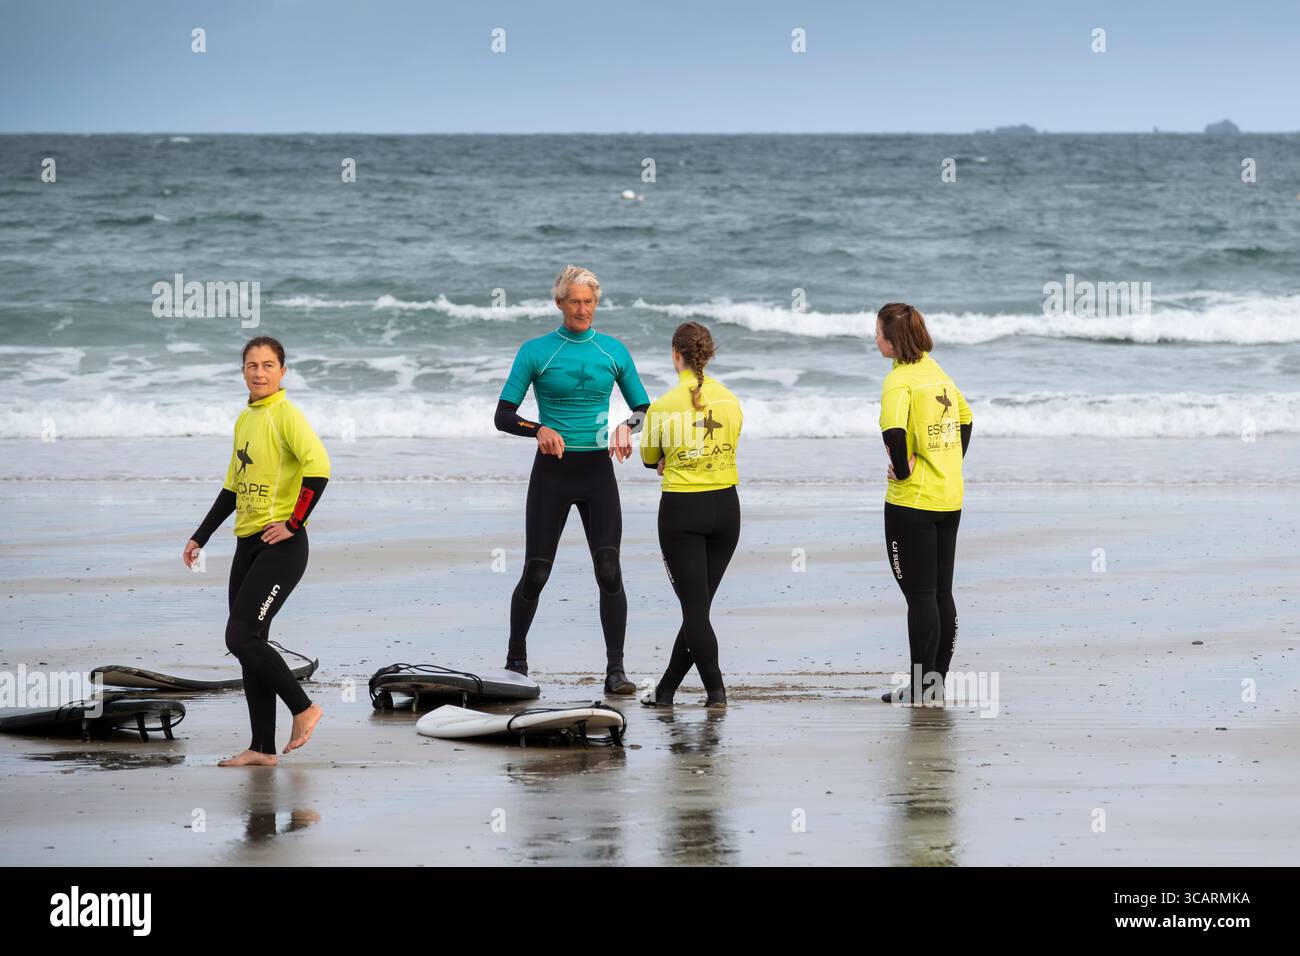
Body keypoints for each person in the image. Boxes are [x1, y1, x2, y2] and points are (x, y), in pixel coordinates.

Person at [494, 266, 650, 694]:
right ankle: (515, 662)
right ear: (559, 303)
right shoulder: (536, 351)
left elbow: (643, 407)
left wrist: (626, 426)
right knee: (537, 572)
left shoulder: (612, 351)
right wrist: (537, 430)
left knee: (609, 569)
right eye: (575, 301)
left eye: (589, 301)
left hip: (598, 471)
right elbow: (503, 415)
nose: (582, 309)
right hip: (552, 472)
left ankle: (615, 671)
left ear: (596, 304)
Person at [183, 336, 330, 765]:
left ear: (283, 372)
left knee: (240, 636)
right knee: (251, 644)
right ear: (243, 370)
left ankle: (304, 709)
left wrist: (294, 522)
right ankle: (262, 747)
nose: (260, 372)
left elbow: (319, 469)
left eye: (268, 365)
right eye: (252, 365)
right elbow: (232, 487)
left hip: (281, 546)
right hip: (247, 544)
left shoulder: (286, 416)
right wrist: (200, 536)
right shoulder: (245, 419)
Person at [638, 321, 742, 708]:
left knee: (694, 610)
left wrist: (669, 459)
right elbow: (727, 447)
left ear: (675, 355)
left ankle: (716, 693)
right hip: (726, 510)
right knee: (697, 609)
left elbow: (650, 459)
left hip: (683, 511)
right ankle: (666, 690)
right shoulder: (731, 401)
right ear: (708, 354)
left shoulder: (663, 406)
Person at [874, 303, 972, 706]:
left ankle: (920, 689)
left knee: (919, 596)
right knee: (940, 594)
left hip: (911, 504)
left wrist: (902, 470)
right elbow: (966, 419)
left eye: (877, 331)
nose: (874, 338)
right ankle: (935, 684)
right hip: (949, 497)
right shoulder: (937, 373)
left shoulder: (899, 381)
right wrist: (948, 462)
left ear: (894, 340)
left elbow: (894, 432)